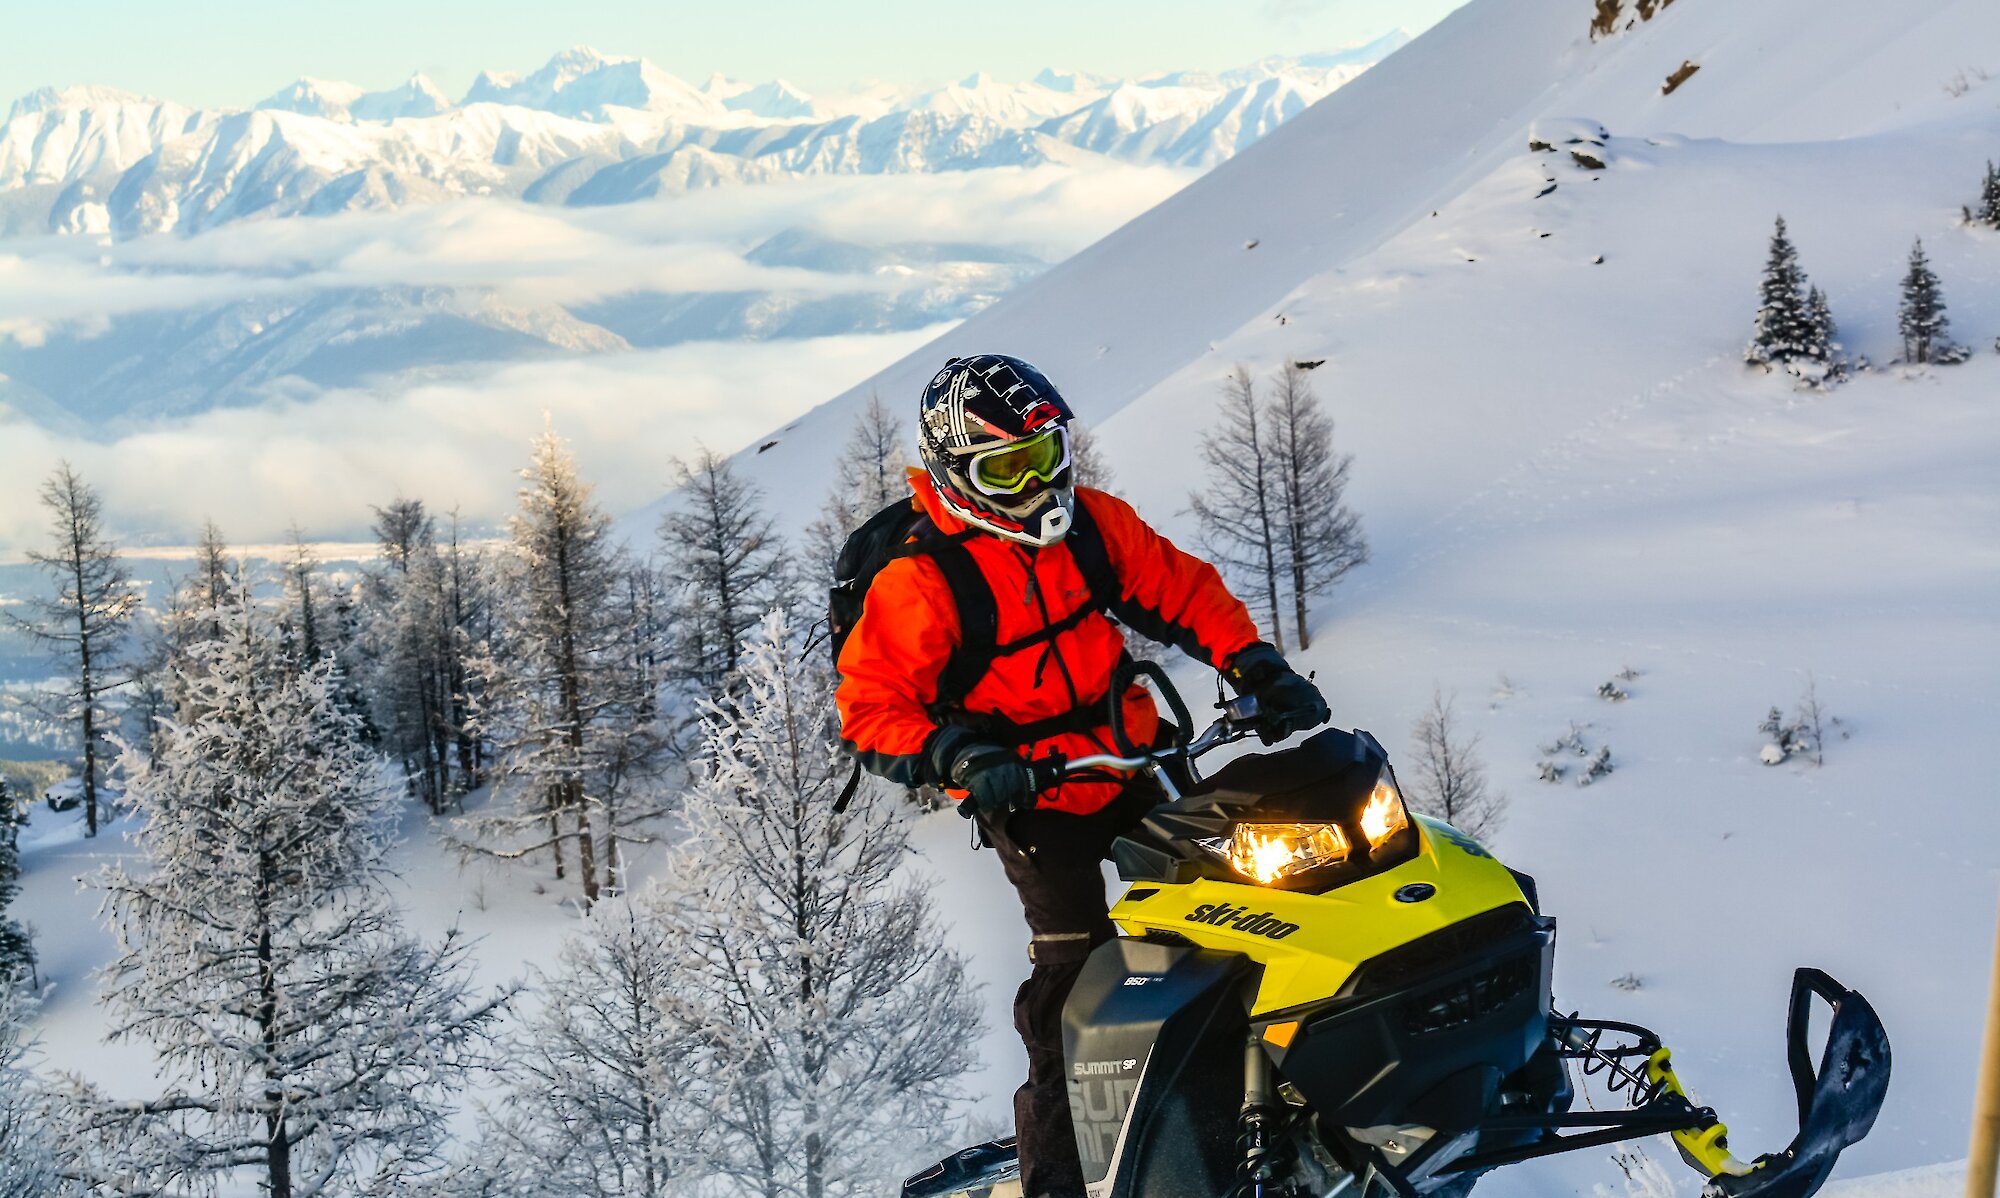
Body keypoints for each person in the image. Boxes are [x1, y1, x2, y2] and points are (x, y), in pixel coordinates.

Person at [834, 353, 1329, 1198]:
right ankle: (1058, 1178)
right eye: (1009, 470)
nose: (1037, 487)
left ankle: (1267, 1112)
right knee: (1078, 983)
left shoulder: (1094, 525)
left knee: (1243, 915)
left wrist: (1254, 664)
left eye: (1049, 457)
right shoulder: (923, 579)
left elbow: (1182, 592)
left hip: (1131, 756)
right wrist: (961, 758)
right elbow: (872, 707)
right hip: (1028, 794)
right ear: (957, 475)